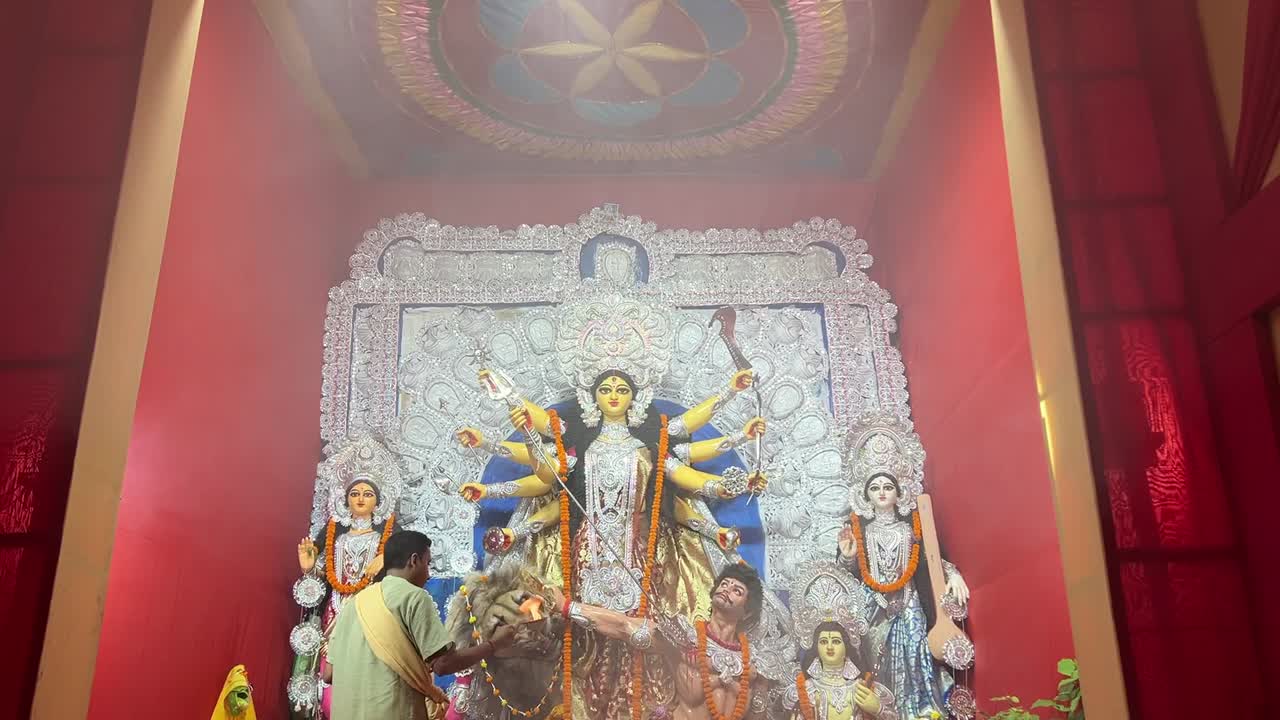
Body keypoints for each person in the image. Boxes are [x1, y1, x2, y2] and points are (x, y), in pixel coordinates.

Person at [326, 531, 521, 720]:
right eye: (427, 563)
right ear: (414, 560)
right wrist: (494, 644)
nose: (428, 575)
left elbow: (328, 674)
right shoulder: (413, 597)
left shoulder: (352, 604)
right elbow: (443, 664)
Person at [548, 563, 778, 720]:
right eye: (724, 584)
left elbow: (759, 714)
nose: (726, 590)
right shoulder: (684, 637)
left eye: (737, 590)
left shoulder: (755, 662)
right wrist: (567, 607)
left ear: (747, 612)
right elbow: (624, 626)